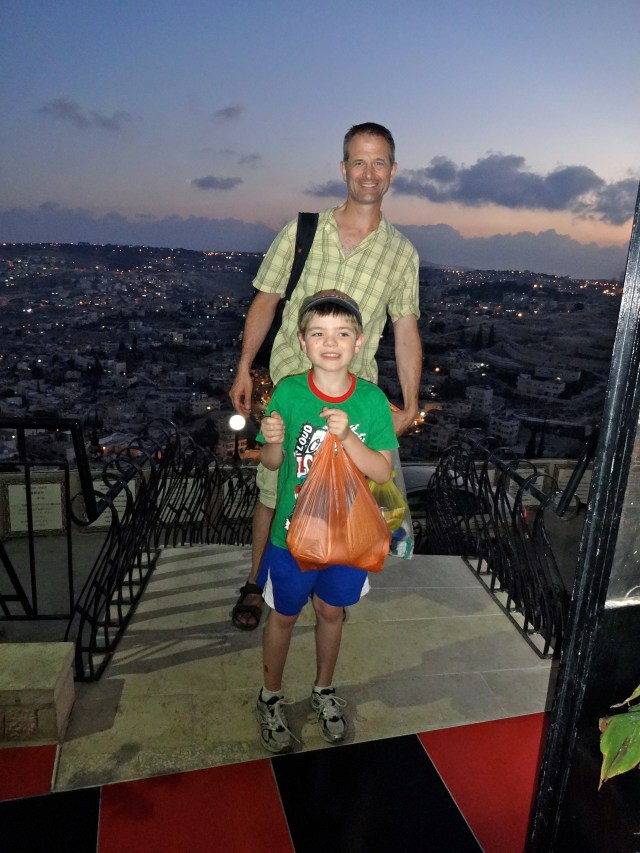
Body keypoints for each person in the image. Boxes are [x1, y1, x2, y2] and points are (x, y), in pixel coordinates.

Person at [229, 121, 422, 630]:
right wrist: (244, 368)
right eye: (359, 161)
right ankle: (260, 583)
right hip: (294, 389)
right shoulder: (303, 231)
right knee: (275, 493)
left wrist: (411, 401)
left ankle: (328, 587)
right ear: (343, 169)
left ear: (393, 172)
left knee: (344, 496)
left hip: (354, 400)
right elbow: (266, 301)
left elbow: (405, 331)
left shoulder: (401, 253)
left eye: (379, 162)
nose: (368, 172)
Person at [256, 290, 397, 752]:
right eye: (318, 333)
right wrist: (273, 440)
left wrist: (346, 439)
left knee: (332, 612)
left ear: (359, 343)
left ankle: (323, 690)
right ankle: (270, 695)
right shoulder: (289, 392)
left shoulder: (372, 401)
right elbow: (275, 463)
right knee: (283, 616)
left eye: (342, 334)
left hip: (349, 538)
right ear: (302, 341)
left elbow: (382, 471)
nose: (330, 342)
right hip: (291, 534)